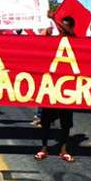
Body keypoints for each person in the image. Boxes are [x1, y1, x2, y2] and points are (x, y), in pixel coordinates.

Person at [35, 14, 76, 162]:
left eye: (63, 27)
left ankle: (63, 149)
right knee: (46, 120)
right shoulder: (54, 41)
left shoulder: (74, 40)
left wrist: (55, 18)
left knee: (65, 122)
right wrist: (46, 29)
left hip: (67, 88)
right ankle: (44, 148)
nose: (61, 29)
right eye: (59, 27)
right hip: (51, 85)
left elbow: (70, 33)